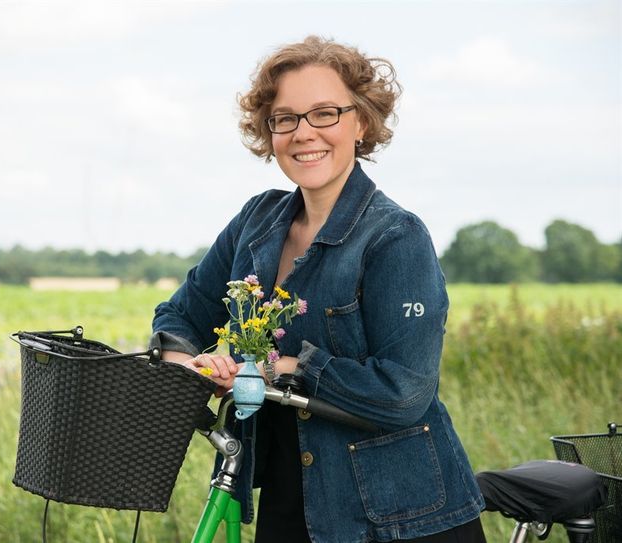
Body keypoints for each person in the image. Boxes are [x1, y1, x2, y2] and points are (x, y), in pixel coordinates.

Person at [151, 36, 486, 543]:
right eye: (285, 118)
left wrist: (284, 367)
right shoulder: (256, 222)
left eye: (324, 113)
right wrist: (188, 369)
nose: (304, 133)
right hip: (289, 496)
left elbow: (405, 394)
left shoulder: (395, 236)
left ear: (362, 121)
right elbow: (180, 316)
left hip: (399, 516)